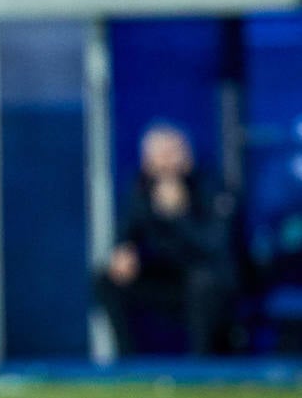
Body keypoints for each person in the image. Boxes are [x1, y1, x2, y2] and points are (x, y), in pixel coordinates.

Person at [94, 122, 238, 357]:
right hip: (167, 279)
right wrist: (123, 251)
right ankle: (127, 362)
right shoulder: (140, 189)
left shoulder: (212, 187)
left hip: (210, 281)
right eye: (160, 156)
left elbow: (215, 247)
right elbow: (127, 231)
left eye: (173, 153)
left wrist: (180, 215)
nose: (167, 163)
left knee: (203, 283)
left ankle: (202, 364)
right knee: (106, 279)